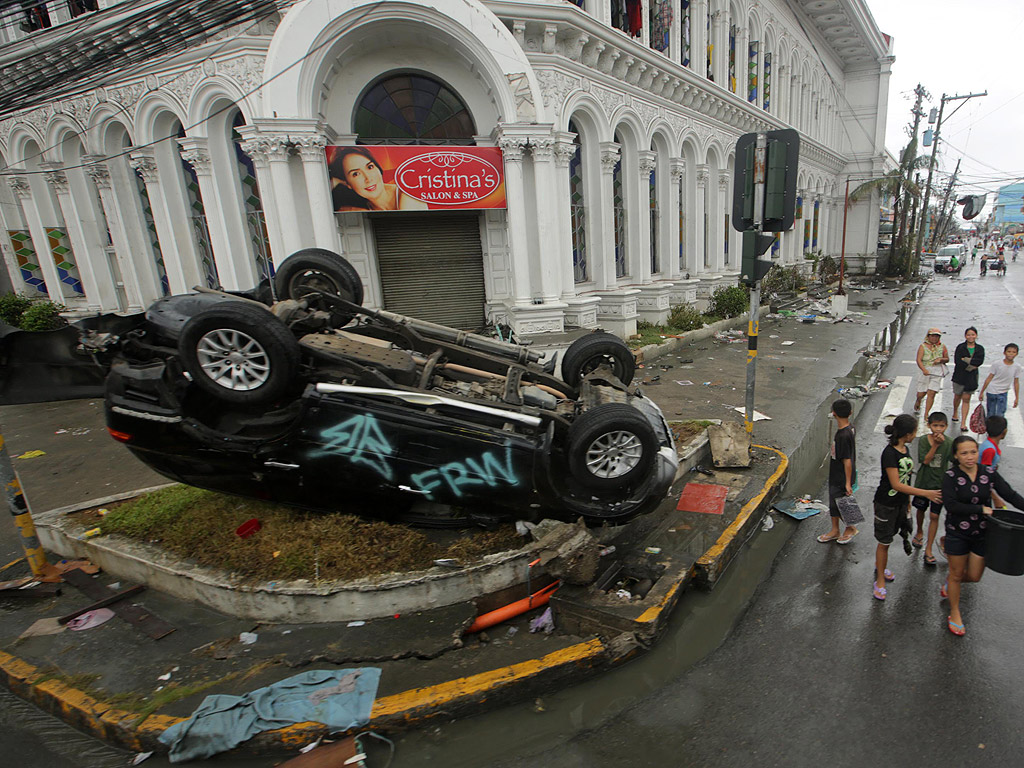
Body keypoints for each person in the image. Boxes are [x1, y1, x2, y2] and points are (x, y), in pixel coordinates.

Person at [940, 436, 1024, 635]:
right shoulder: (950, 476)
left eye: (973, 452)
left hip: (982, 533)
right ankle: (954, 612)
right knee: (957, 574)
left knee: (975, 576)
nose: (970, 457)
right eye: (964, 453)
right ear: (956, 455)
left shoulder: (988, 473)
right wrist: (980, 508)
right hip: (957, 532)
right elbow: (950, 505)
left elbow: (1010, 495)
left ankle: (951, 582)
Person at [872, 414, 942, 601]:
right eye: (914, 431)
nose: (916, 434)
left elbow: (906, 478)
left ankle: (881, 566)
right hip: (885, 504)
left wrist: (908, 502)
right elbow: (896, 484)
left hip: (901, 504)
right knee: (884, 542)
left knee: (891, 537)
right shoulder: (889, 453)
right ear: (907, 433)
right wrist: (925, 493)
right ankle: (879, 580)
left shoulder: (905, 449)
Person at [329, 147, 428, 212]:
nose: (368, 178)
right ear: (347, 183)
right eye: (356, 174)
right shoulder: (363, 207)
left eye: (370, 167)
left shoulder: (407, 194)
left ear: (378, 168)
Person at [817, 398, 858, 545]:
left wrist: (847, 483)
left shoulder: (843, 435)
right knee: (834, 502)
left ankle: (851, 527)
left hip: (842, 475)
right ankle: (835, 530)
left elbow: (847, 460)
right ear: (850, 413)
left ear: (834, 413)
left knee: (843, 503)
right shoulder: (848, 428)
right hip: (836, 473)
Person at [914, 412, 952, 567]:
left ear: (946, 427)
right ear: (929, 425)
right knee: (921, 510)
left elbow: (953, 461)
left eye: (941, 426)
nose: (938, 429)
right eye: (935, 425)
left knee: (935, 516)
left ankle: (928, 549)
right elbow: (925, 460)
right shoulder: (924, 441)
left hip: (939, 486)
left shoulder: (949, 443)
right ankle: (919, 531)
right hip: (924, 484)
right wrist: (935, 445)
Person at [951, 326, 984, 427]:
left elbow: (979, 361)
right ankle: (955, 411)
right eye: (968, 335)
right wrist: (970, 365)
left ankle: (963, 422)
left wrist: (966, 360)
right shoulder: (960, 347)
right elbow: (958, 361)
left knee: (966, 399)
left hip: (971, 378)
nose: (971, 337)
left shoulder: (979, 349)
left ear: (976, 336)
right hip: (959, 376)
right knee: (957, 396)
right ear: (965, 336)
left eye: (973, 335)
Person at [978, 343, 1020, 419]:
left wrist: (1016, 398)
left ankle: (998, 430)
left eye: (1014, 352)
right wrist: (982, 392)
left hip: (1003, 392)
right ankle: (990, 429)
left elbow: (1016, 382)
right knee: (991, 413)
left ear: (1017, 354)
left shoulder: (1017, 367)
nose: (1011, 354)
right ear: (1004, 353)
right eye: (1009, 351)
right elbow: (989, 378)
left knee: (1000, 414)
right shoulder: (997, 364)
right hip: (992, 391)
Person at [913, 329, 949, 416]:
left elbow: (947, 359)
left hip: (937, 371)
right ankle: (918, 400)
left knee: (932, 392)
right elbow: (919, 360)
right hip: (925, 370)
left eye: (936, 336)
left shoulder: (942, 346)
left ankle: (926, 413)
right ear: (928, 336)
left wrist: (941, 359)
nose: (934, 338)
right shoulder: (923, 346)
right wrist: (924, 370)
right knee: (922, 392)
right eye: (932, 336)